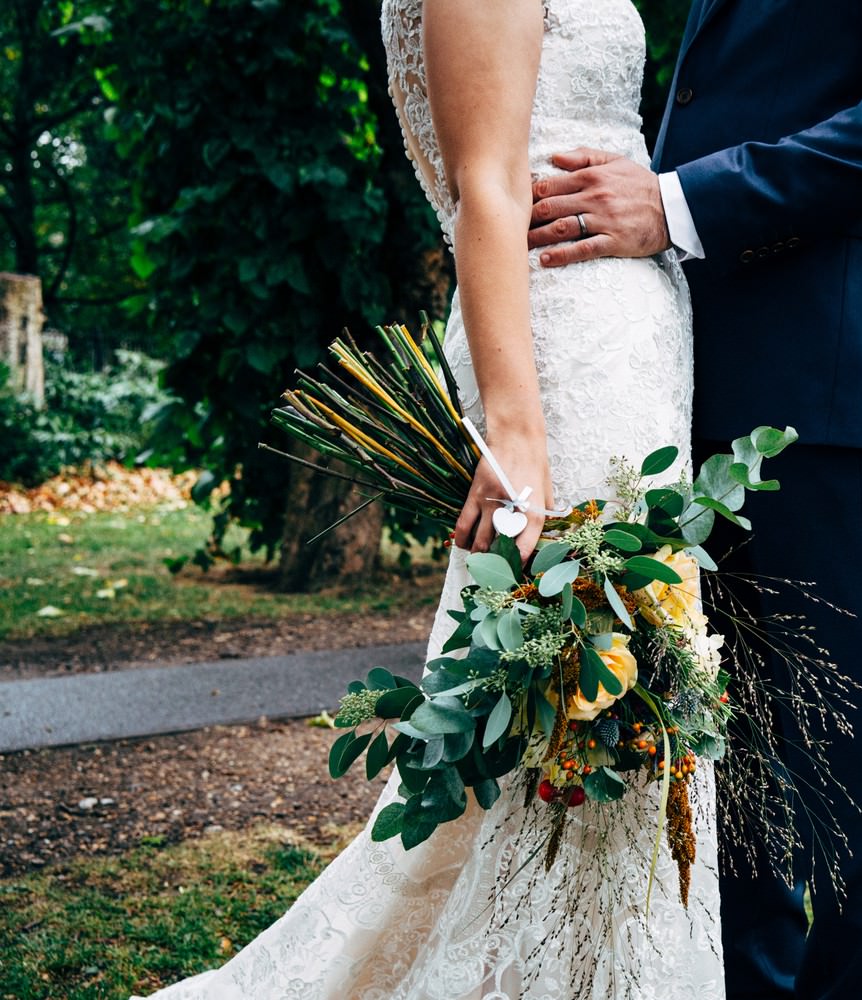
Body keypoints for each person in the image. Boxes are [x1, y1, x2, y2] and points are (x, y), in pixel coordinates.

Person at [135, 0, 724, 996]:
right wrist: (518, 433)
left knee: (604, 697)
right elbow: (485, 182)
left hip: (619, 342)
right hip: (566, 355)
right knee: (575, 693)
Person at [526, 1, 862, 997]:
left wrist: (679, 204)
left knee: (851, 760)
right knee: (731, 753)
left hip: (819, 382)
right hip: (685, 375)